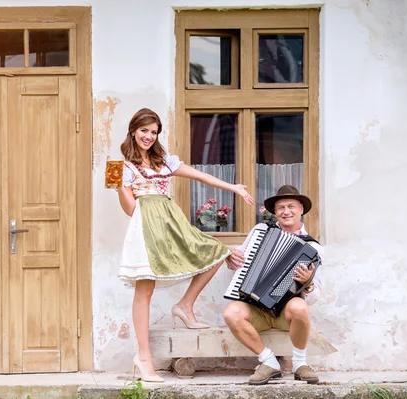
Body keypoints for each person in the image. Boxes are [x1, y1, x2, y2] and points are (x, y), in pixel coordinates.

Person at [117, 108, 255, 382]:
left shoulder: (165, 162)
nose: (149, 136)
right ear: (133, 130)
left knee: (216, 252)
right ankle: (143, 358)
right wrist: (120, 187)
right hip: (145, 227)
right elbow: (130, 210)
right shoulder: (122, 168)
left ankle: (185, 306)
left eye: (154, 132)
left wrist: (234, 187)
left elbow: (201, 176)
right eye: (144, 130)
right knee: (144, 290)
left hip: (171, 221)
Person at [224, 185, 323, 385]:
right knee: (231, 312)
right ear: (275, 211)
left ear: (301, 209)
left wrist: (308, 283)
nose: (285, 212)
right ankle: (268, 362)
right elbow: (240, 262)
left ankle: (300, 364)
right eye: (280, 208)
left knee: (300, 305)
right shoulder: (261, 230)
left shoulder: (311, 246)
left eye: (291, 206)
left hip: (285, 313)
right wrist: (231, 259)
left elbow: (315, 295)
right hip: (256, 308)